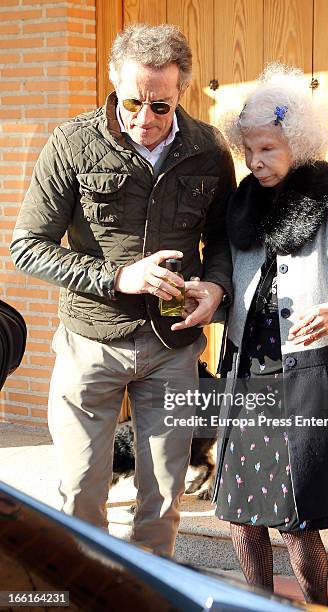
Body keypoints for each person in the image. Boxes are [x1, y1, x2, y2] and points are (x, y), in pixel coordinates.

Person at [10, 23, 235, 558]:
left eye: (161, 105)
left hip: (173, 345)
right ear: (113, 82)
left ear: (182, 90)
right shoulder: (72, 142)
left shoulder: (207, 149)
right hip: (91, 342)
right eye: (134, 101)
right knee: (83, 493)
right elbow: (26, 245)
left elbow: (225, 240)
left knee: (164, 496)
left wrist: (217, 288)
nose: (145, 118)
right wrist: (118, 276)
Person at [212, 64, 328, 605]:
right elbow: (236, 291)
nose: (255, 162)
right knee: (241, 518)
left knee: (296, 521)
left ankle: (314, 607)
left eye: (268, 149)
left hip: (307, 379)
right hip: (246, 378)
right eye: (248, 150)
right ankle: (257, 603)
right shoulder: (240, 209)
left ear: (299, 143)